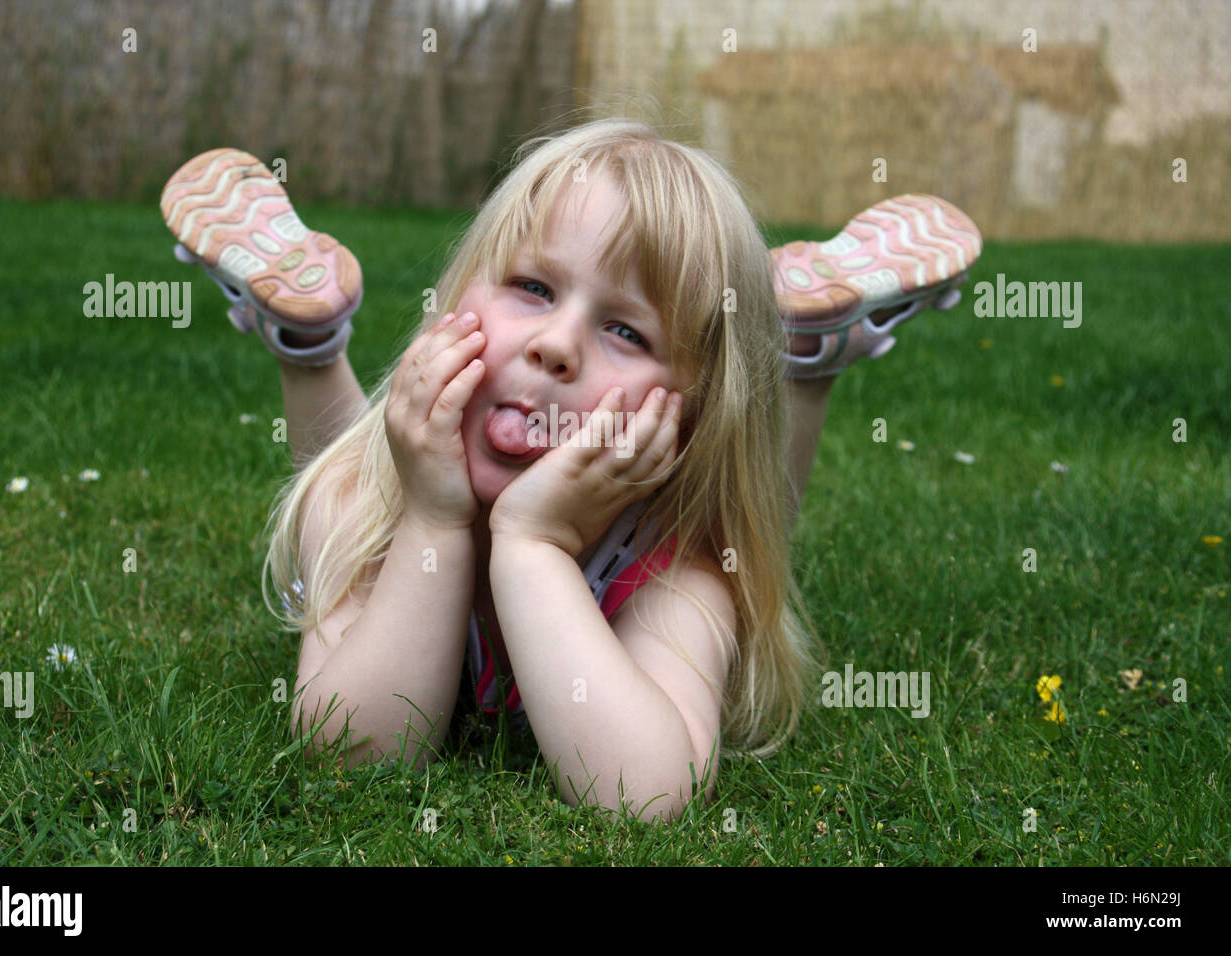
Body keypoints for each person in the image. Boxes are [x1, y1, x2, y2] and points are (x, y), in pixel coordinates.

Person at [159, 118, 981, 822]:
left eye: (626, 331)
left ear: (681, 414)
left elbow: (639, 793)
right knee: (354, 460)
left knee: (752, 530)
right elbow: (355, 753)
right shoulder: (353, 505)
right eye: (530, 286)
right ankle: (308, 341)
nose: (555, 345)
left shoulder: (674, 566)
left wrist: (531, 545)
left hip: (688, 487)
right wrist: (435, 520)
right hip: (387, 491)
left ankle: (797, 354)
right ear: (453, 299)